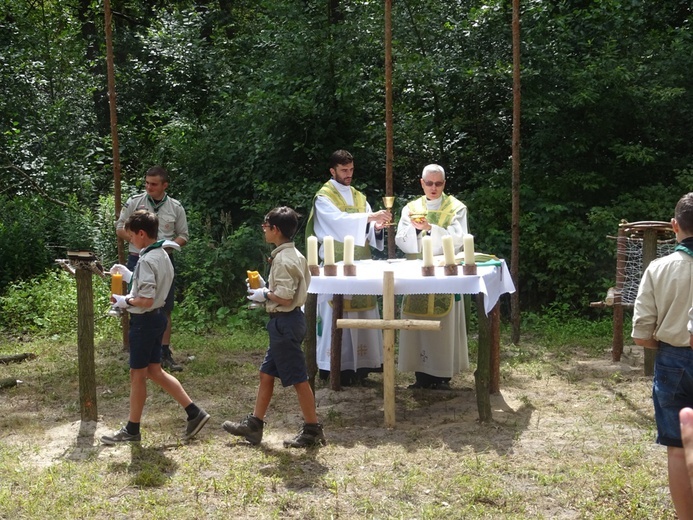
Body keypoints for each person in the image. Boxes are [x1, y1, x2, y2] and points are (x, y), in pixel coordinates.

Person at [101, 210, 209, 444]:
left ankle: (132, 429)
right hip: (157, 318)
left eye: (131, 236)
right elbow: (154, 285)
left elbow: (146, 299)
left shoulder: (148, 259)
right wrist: (131, 275)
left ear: (141, 233)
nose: (130, 240)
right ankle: (194, 412)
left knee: (137, 375)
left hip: (145, 321)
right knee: (154, 371)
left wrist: (124, 301)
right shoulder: (161, 253)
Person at [222, 206, 326, 448]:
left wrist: (264, 293)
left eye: (266, 226)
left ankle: (312, 430)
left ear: (276, 229)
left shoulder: (283, 259)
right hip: (287, 322)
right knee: (266, 374)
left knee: (299, 379)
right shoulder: (295, 255)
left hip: (285, 323)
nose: (264, 230)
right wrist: (265, 289)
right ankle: (254, 425)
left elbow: (285, 298)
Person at [305, 149, 392, 386]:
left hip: (361, 263)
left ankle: (363, 365)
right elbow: (337, 224)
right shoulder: (324, 197)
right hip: (336, 265)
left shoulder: (359, 196)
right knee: (337, 313)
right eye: (344, 170)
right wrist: (369, 218)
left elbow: (366, 229)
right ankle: (334, 367)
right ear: (332, 170)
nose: (349, 174)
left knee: (362, 312)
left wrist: (375, 227)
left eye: (351, 169)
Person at [631, 192, 693, 518]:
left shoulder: (659, 268)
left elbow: (642, 335)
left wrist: (667, 346)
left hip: (673, 362)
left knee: (678, 447)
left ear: (674, 227)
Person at [395, 164, 469, 389]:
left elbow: (459, 238)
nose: (434, 188)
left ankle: (442, 375)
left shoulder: (456, 207)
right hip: (418, 272)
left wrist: (432, 228)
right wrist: (417, 230)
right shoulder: (411, 207)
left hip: (444, 272)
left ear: (444, 184)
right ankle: (420, 374)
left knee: (442, 324)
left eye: (438, 183)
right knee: (416, 323)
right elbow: (401, 239)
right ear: (422, 183)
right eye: (429, 183)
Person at [116, 165, 189, 372]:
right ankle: (138, 352)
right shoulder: (134, 202)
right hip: (137, 258)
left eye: (154, 184)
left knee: (164, 306)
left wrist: (166, 246)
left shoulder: (176, 207)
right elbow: (120, 228)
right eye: (147, 183)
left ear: (165, 185)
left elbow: (184, 235)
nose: (149, 187)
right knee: (138, 304)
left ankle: (163, 352)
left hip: (164, 260)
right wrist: (136, 239)